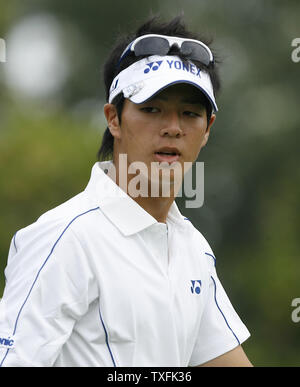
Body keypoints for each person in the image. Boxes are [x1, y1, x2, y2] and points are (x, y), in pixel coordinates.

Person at [0, 15, 252, 367]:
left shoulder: (193, 250)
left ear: (207, 128)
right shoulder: (64, 237)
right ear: (113, 118)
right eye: (151, 109)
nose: (173, 128)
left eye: (190, 113)